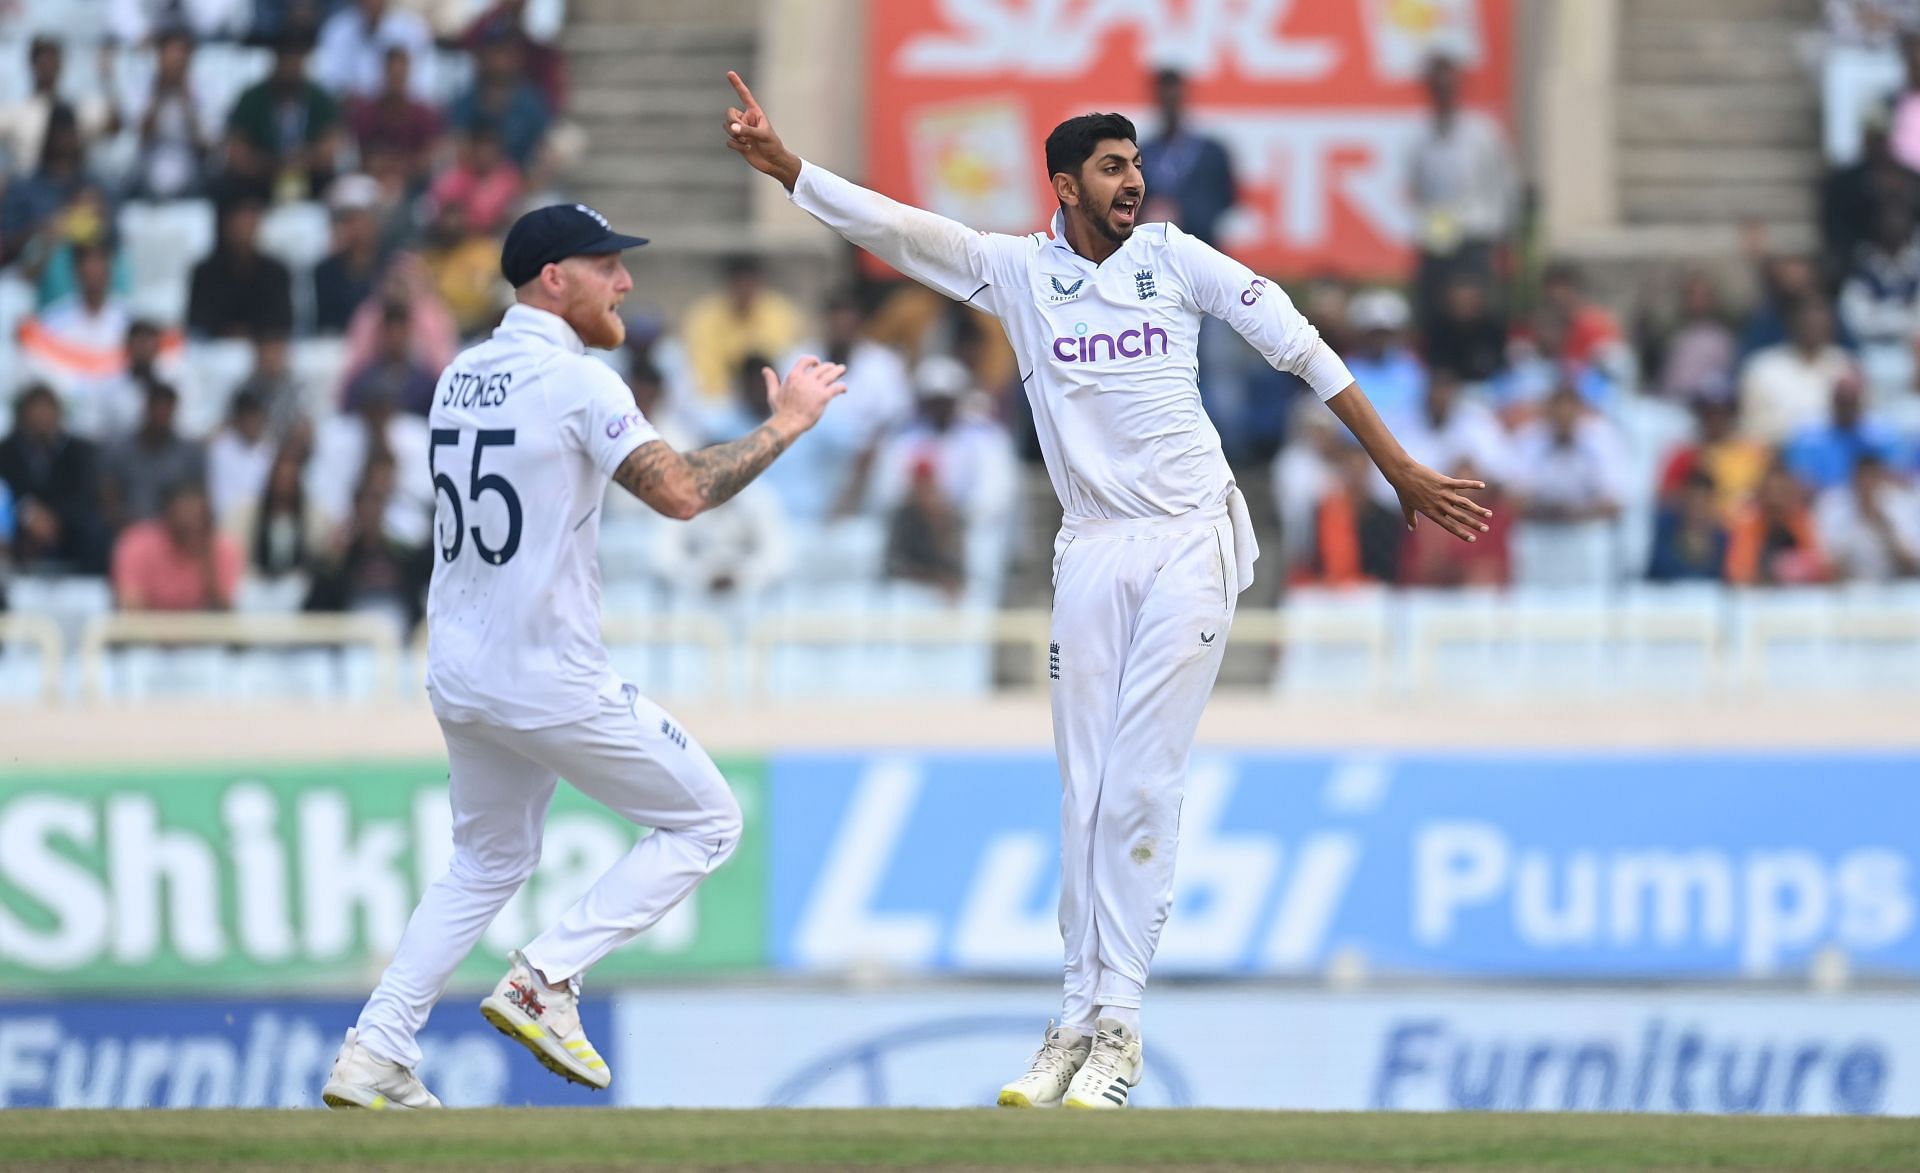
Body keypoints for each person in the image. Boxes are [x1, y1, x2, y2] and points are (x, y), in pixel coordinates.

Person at [722, 71, 1486, 1110]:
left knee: (1138, 782)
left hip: (1190, 537)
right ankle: (1072, 1022)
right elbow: (903, 231)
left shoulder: (1175, 257)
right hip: (1090, 547)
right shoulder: (1016, 273)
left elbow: (1300, 345)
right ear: (1064, 184)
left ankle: (1120, 1025)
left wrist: (1396, 465)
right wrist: (790, 171)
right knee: (1083, 794)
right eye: (1113, 167)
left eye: (1135, 164)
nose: (1133, 182)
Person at [321, 202, 848, 1110]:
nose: (627, 282)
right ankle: (546, 977)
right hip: (545, 672)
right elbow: (680, 493)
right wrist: (788, 426)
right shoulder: (579, 384)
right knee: (708, 823)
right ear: (554, 279)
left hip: (459, 669)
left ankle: (375, 1049)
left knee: (486, 859)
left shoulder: (461, 374)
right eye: (608, 265)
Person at [1406, 51, 1516, 327]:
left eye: (1448, 82)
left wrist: (1503, 235)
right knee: (1435, 315)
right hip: (1437, 239)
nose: (1442, 88)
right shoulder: (1420, 137)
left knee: (1477, 316)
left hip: (1475, 236)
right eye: (1436, 82)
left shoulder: (1482, 133)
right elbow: (1418, 189)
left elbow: (1504, 184)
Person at [1137, 68, 1236, 247]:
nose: (1169, 108)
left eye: (1174, 100)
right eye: (1164, 101)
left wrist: (1185, 214)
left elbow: (1227, 199)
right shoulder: (1143, 153)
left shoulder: (1211, 153)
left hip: (1201, 247)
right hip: (1154, 250)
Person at [110, 481, 241, 611]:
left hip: (203, 629)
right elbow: (130, 606)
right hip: (146, 628)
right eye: (185, 514)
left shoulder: (223, 548)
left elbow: (225, 610)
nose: (192, 523)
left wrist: (207, 561)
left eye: (199, 516)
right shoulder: (136, 543)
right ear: (167, 515)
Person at [187, 191, 295, 341]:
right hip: (215, 348)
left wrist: (254, 334)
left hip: (262, 348)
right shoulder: (205, 271)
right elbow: (198, 319)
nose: (244, 231)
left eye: (250, 224)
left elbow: (281, 319)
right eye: (239, 223)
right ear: (226, 226)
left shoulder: (276, 271)